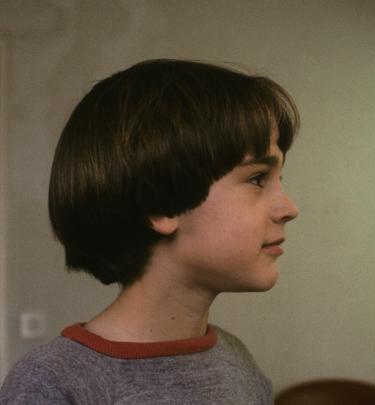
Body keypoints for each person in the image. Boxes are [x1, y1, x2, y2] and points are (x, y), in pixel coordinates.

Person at [0, 59, 299, 404]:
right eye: (257, 179)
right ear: (161, 205)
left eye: (279, 179)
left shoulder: (237, 362)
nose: (289, 209)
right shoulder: (53, 384)